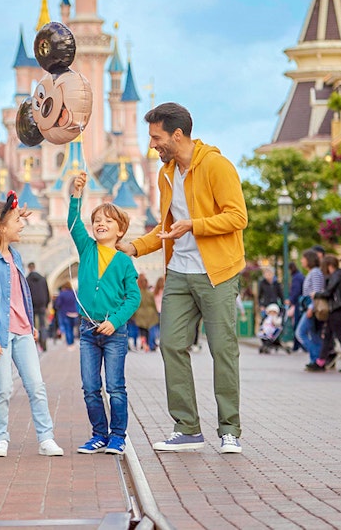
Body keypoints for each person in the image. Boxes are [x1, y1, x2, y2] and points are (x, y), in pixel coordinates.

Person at [118, 103, 248, 455]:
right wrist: (131, 247)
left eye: (157, 138)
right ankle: (188, 428)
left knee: (223, 350)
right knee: (171, 344)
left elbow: (238, 217)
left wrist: (196, 225)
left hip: (217, 272)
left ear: (177, 135)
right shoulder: (166, 174)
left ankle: (229, 429)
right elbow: (166, 229)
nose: (152, 146)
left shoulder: (216, 166)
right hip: (179, 272)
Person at [0, 193, 63, 457]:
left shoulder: (16, 257)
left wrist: (30, 323)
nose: (22, 225)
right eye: (15, 221)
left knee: (36, 386)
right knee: (4, 389)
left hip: (22, 333)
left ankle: (46, 438)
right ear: (0, 228)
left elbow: (21, 294)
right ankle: (0, 438)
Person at [69, 172, 141, 455]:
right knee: (89, 387)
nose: (101, 224)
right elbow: (73, 223)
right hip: (88, 330)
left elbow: (133, 297)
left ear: (120, 230)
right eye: (97, 220)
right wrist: (76, 193)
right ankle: (99, 433)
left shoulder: (123, 261)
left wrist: (115, 321)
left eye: (108, 221)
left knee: (115, 387)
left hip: (114, 332)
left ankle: (118, 436)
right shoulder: (87, 249)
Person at [308, 256, 341, 372]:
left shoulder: (337, 276)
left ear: (329, 266)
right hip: (337, 310)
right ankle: (320, 362)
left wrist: (316, 295)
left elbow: (329, 292)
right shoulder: (340, 275)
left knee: (339, 337)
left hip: (336, 310)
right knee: (328, 336)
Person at [295, 249, 325, 369]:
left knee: (300, 333)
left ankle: (318, 356)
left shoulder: (315, 273)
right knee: (314, 335)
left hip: (311, 308)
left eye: (303, 258)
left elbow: (317, 291)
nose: (302, 261)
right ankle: (316, 360)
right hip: (308, 307)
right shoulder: (312, 272)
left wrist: (311, 307)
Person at [26, 262, 50, 352]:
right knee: (43, 325)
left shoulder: (27, 279)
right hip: (42, 305)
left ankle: (34, 343)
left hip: (32, 305)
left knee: (33, 326)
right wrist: (46, 304)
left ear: (29, 268)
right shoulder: (43, 279)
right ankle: (44, 343)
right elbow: (47, 293)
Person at [132, 274, 160, 352]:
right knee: (149, 330)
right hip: (150, 314)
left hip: (139, 314)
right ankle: (148, 344)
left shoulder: (137, 293)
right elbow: (153, 304)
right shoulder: (150, 293)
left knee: (142, 330)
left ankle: (144, 344)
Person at [53, 282, 79, 348]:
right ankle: (72, 341)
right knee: (72, 328)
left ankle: (70, 343)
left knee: (68, 329)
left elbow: (58, 304)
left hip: (66, 313)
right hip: (74, 313)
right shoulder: (74, 293)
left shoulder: (62, 294)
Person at [288, 261, 305, 351]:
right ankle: (298, 345)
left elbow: (296, 290)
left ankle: (298, 345)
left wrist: (291, 300)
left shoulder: (296, 278)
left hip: (299, 304)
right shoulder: (300, 276)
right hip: (301, 303)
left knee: (297, 324)